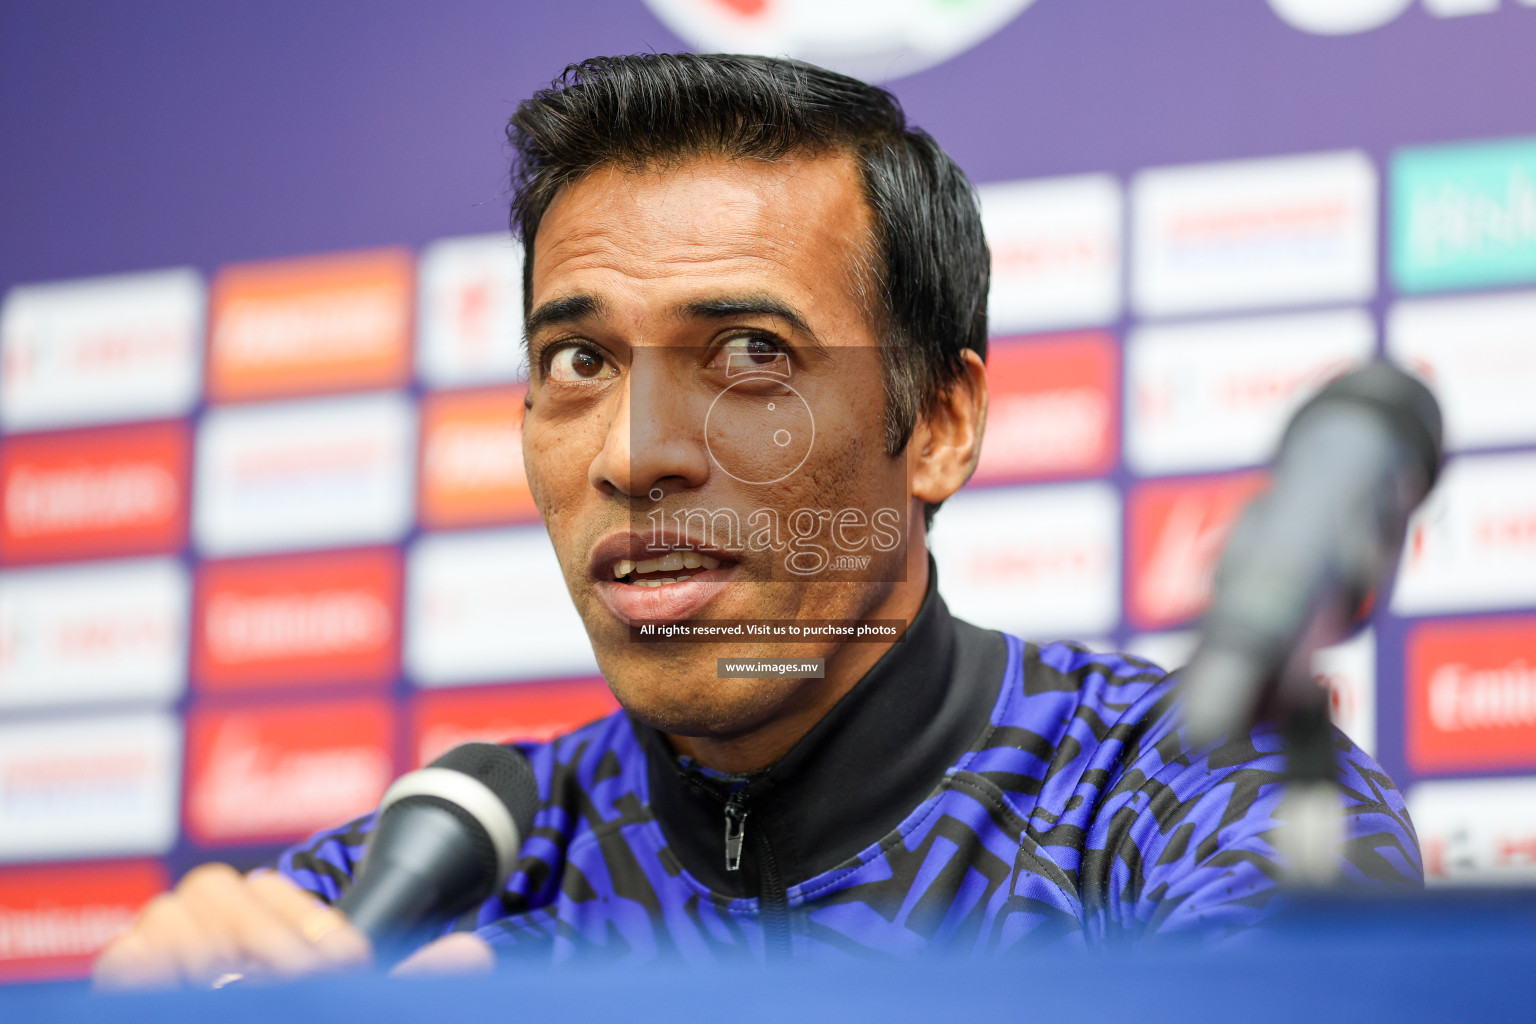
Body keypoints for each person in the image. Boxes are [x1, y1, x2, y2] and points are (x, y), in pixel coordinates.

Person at [94, 52, 1420, 987]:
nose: (638, 454)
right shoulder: (438, 874)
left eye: (747, 356)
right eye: (580, 364)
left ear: (941, 424)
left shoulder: (1173, 796)